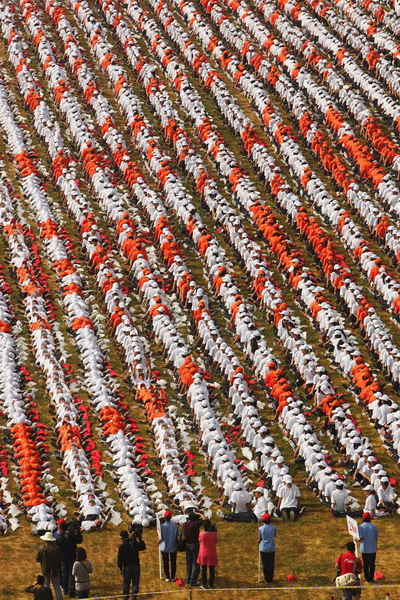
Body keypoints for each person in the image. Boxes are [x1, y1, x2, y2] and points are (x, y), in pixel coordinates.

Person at [117, 527, 146, 600]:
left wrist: (120, 568)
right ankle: (134, 597)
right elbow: (143, 547)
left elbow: (120, 559)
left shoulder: (122, 546)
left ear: (122, 538)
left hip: (127, 567)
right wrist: (140, 539)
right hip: (136, 566)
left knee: (126, 584)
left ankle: (125, 597)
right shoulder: (134, 543)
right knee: (135, 583)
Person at [56, 520, 82, 596]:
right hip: (72, 557)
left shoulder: (60, 539)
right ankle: (70, 590)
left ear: (60, 529)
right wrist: (78, 532)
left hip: (63, 559)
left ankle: (65, 589)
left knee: (64, 574)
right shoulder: (72, 537)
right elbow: (80, 540)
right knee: (71, 574)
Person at [36, 532, 63, 600]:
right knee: (57, 587)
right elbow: (60, 559)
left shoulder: (42, 548)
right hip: (54, 570)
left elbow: (38, 559)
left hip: (45, 569)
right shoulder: (57, 548)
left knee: (46, 587)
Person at [182, 512, 203, 586]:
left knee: (189, 563)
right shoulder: (195, 525)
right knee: (196, 564)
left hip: (187, 545)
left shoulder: (185, 524)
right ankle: (193, 581)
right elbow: (205, 519)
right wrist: (199, 514)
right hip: (195, 545)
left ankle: (188, 579)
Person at [358, 513, 378, 583]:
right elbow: (376, 538)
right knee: (372, 564)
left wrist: (356, 539)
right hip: (372, 549)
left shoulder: (361, 527)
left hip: (365, 549)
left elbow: (361, 537)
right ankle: (371, 578)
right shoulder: (374, 527)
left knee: (366, 564)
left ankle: (367, 578)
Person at [197, 520, 218, 589]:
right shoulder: (214, 534)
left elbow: (199, 540)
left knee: (204, 569)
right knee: (212, 570)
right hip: (212, 553)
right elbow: (215, 541)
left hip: (203, 553)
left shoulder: (202, 534)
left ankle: (204, 584)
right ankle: (211, 584)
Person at [159, 511, 178, 582]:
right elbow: (176, 537)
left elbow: (161, 538)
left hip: (164, 547)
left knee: (165, 562)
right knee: (173, 562)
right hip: (173, 547)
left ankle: (167, 577)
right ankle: (173, 577)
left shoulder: (162, 527)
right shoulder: (175, 526)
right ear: (171, 517)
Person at [258, 513, 276, 584]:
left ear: (263, 520)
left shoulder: (260, 529)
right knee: (271, 564)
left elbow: (260, 538)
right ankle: (270, 579)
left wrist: (259, 540)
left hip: (264, 549)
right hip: (271, 548)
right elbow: (274, 536)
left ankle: (267, 579)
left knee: (265, 565)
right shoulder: (274, 528)